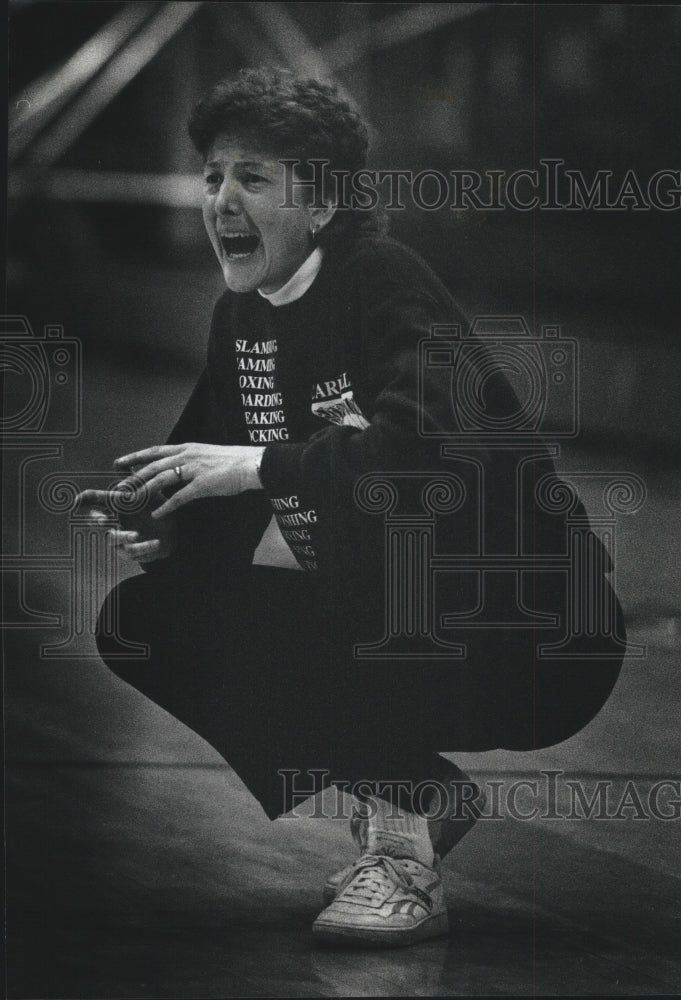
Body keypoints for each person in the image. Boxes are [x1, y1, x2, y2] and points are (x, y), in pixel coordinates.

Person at [81, 67, 626, 948]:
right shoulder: (241, 318)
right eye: (213, 175)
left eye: (253, 178)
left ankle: (403, 859)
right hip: (397, 626)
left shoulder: (382, 281)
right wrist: (163, 526)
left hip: (535, 636)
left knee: (382, 544)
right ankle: (416, 792)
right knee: (146, 619)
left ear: (322, 201)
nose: (221, 198)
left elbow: (430, 462)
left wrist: (259, 465)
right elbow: (217, 498)